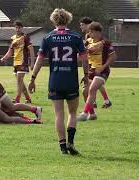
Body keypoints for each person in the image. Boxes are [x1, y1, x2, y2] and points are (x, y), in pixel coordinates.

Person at [28, 8, 89, 155]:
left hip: (55, 80)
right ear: (68, 20)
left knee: (58, 115)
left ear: (54, 20)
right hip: (71, 80)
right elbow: (85, 59)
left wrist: (32, 78)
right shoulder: (75, 37)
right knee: (72, 113)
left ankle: (62, 147)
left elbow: (39, 60)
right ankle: (71, 142)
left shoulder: (48, 38)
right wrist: (86, 75)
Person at [77, 22, 117, 121]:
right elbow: (83, 57)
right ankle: (92, 114)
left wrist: (103, 67)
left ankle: (84, 114)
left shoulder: (106, 43)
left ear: (98, 32)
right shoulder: (88, 41)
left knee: (92, 89)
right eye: (89, 31)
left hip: (102, 71)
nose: (89, 34)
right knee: (85, 92)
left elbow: (113, 57)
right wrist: (85, 74)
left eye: (91, 32)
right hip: (92, 70)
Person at [79, 17, 112, 108]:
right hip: (92, 65)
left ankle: (91, 108)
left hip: (97, 65)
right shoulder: (89, 37)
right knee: (94, 85)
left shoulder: (93, 37)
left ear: (88, 25)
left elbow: (105, 45)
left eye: (82, 25)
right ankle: (100, 103)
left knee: (93, 85)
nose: (81, 27)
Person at [0, 20, 35, 104]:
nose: (17, 29)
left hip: (23, 61)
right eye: (16, 27)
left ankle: (17, 98)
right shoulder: (13, 38)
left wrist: (32, 62)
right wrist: (4, 58)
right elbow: (10, 51)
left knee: (19, 79)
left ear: (22, 28)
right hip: (15, 62)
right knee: (20, 81)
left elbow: (31, 50)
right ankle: (27, 98)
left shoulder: (25, 37)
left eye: (19, 27)